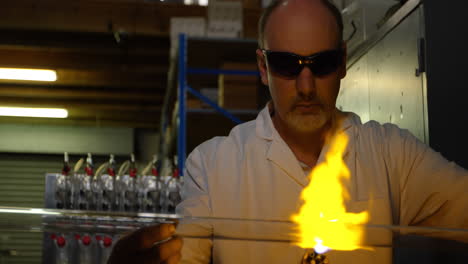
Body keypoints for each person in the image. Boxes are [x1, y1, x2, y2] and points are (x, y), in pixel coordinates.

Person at [108, 0, 468, 263]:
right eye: (286, 65)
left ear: (342, 62)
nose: (306, 85)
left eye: (321, 63)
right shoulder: (214, 164)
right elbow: (187, 258)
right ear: (263, 68)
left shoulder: (389, 154)